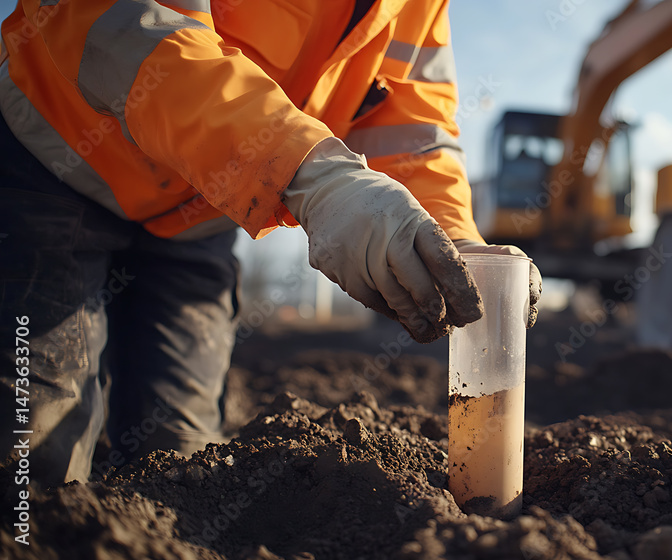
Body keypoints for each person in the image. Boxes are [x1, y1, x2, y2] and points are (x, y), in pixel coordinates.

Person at [0, 0, 540, 486]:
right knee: (32, 460)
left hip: (197, 217)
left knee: (180, 468)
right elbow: (129, 27)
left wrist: (454, 240)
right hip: (54, 166)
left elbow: (413, 130)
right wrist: (310, 173)